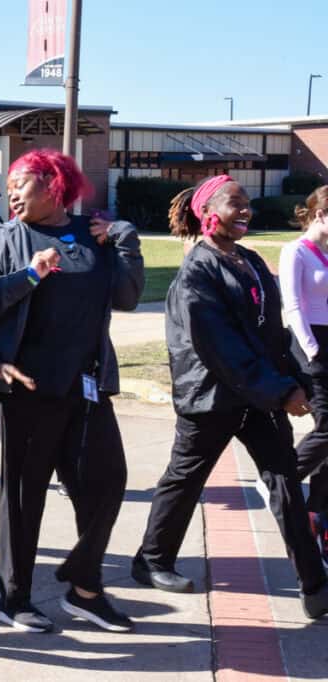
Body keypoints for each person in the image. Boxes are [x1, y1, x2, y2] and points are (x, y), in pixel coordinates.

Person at [0, 149, 144, 633]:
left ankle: (84, 587)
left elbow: (126, 297)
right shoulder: (5, 241)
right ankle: (14, 598)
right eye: (10, 184)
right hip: (25, 388)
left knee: (108, 483)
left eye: (21, 182)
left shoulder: (94, 235)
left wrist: (125, 239)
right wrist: (29, 275)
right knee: (24, 497)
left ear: (54, 183)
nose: (11, 192)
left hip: (85, 387)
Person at [133, 175, 328, 619]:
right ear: (208, 212)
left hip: (256, 399)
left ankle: (315, 586)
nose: (246, 211)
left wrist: (295, 380)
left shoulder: (250, 263)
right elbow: (221, 347)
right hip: (211, 400)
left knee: (285, 486)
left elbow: (269, 335)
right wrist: (280, 392)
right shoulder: (196, 271)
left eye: (247, 204)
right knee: (183, 482)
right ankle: (152, 560)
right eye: (235, 203)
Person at [282, 185, 328, 568]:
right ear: (319, 215)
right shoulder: (295, 251)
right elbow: (294, 307)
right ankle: (282, 480)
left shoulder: (326, 254)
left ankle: (317, 510)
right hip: (311, 347)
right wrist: (313, 353)